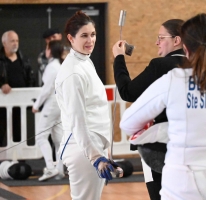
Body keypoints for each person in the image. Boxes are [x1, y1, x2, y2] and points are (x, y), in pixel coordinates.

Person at [120, 13, 206, 200]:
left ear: (185, 46)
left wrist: (168, 130)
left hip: (185, 184)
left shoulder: (174, 80)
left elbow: (128, 123)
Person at [112, 19, 184, 200]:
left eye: (161, 38)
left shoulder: (160, 65)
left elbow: (127, 92)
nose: (156, 42)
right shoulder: (199, 65)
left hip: (160, 145)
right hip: (193, 143)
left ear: (177, 40)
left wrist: (119, 58)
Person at [55, 11, 116, 200]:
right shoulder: (73, 72)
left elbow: (93, 110)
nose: (90, 40)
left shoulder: (84, 61)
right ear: (70, 38)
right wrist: (95, 157)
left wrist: (103, 150)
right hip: (82, 150)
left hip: (90, 147)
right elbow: (78, 121)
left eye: (93, 34)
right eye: (84, 35)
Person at [32, 40, 65, 181]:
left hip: (52, 104)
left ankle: (51, 168)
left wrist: (36, 105)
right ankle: (60, 170)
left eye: (47, 48)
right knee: (58, 139)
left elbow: (47, 89)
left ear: (50, 51)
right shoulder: (59, 66)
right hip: (59, 105)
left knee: (41, 136)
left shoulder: (52, 67)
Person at [0, 30, 34, 145]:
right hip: (2, 105)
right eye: (12, 41)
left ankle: (19, 161)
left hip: (20, 105)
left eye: (17, 41)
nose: (15, 43)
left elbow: (31, 80)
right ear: (4, 43)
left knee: (19, 135)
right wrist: (1, 84)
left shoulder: (24, 61)